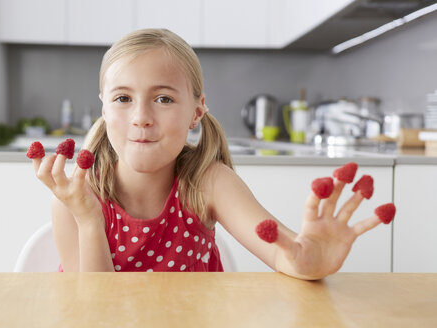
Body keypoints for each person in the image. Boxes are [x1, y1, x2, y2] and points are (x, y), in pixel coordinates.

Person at [31, 28, 384, 279]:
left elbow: (283, 251)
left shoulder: (208, 183)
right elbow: (94, 315)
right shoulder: (75, 195)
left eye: (164, 99)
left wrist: (309, 262)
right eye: (123, 98)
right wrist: (89, 219)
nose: (141, 118)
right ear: (105, 109)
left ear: (196, 111)